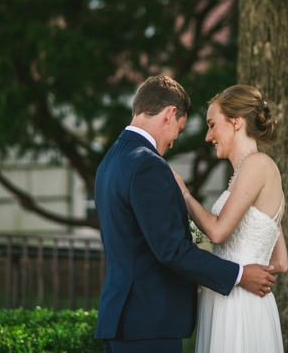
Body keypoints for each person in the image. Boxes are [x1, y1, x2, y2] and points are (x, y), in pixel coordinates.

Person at [93, 75, 277, 353]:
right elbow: (170, 250)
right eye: (178, 129)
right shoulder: (147, 164)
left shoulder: (111, 160)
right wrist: (239, 275)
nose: (174, 141)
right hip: (148, 323)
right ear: (170, 115)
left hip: (124, 319)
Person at [174, 84, 288, 353]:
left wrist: (185, 195)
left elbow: (218, 232)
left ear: (236, 123)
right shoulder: (248, 172)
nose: (208, 135)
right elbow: (280, 262)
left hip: (239, 305)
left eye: (212, 125)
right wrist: (246, 270)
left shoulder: (257, 164)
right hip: (232, 296)